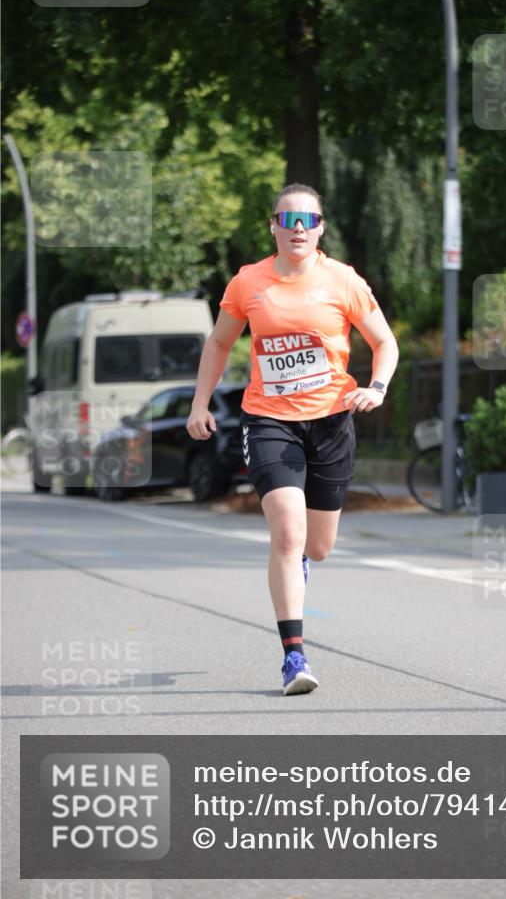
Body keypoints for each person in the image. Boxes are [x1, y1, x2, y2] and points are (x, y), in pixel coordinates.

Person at [186, 183, 399, 695]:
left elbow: (384, 342)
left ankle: (301, 554)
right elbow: (219, 342)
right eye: (289, 219)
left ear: (321, 228)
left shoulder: (342, 280)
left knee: (318, 547)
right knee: (286, 533)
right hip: (268, 422)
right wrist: (199, 403)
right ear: (274, 227)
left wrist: (377, 387)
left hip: (330, 420)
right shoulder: (248, 282)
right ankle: (294, 658)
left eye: (308, 220)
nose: (298, 229)